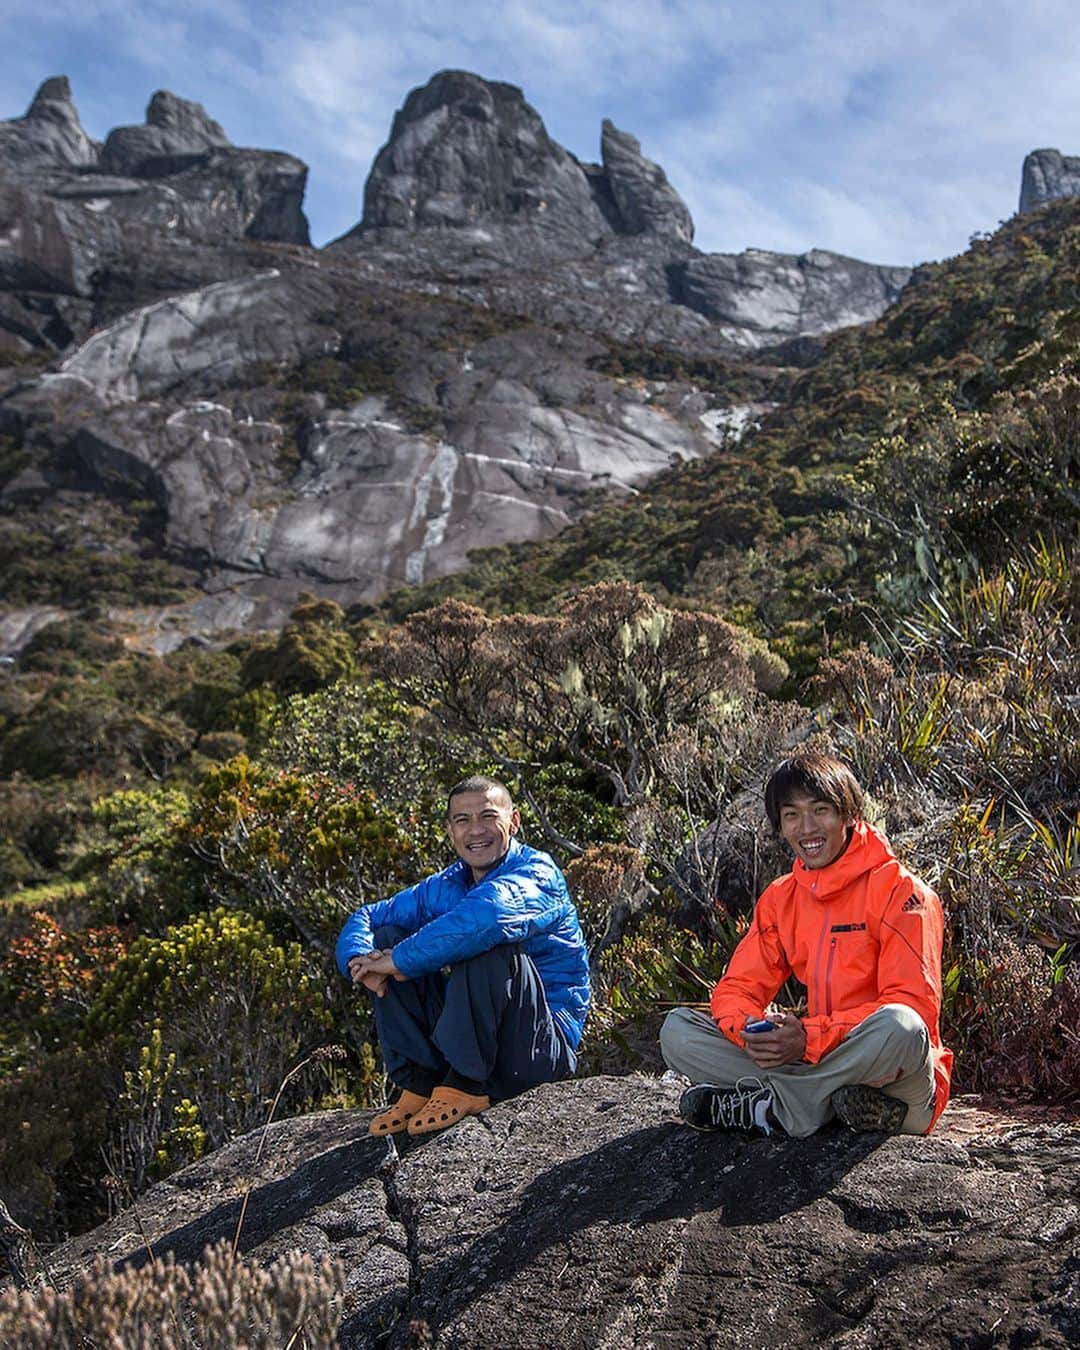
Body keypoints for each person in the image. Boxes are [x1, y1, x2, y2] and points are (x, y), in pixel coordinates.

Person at [660, 753, 953, 1137]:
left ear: (849, 814)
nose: (807, 827)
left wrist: (807, 1040)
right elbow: (737, 989)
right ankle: (813, 1103)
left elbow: (914, 1006)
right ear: (780, 825)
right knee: (677, 1032)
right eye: (792, 814)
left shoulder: (904, 893)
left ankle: (777, 1106)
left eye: (821, 810)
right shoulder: (782, 898)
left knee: (902, 1026)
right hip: (818, 1064)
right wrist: (755, 1033)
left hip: (891, 1077)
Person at [336, 775, 590, 1137]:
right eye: (463, 820)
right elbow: (370, 916)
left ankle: (466, 1083)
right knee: (389, 936)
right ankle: (422, 1082)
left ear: (513, 821)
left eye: (488, 817)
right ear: (450, 830)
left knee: (487, 942)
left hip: (538, 1048)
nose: (476, 831)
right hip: (482, 1039)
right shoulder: (448, 884)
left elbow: (489, 916)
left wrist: (399, 960)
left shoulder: (538, 873)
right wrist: (361, 959)